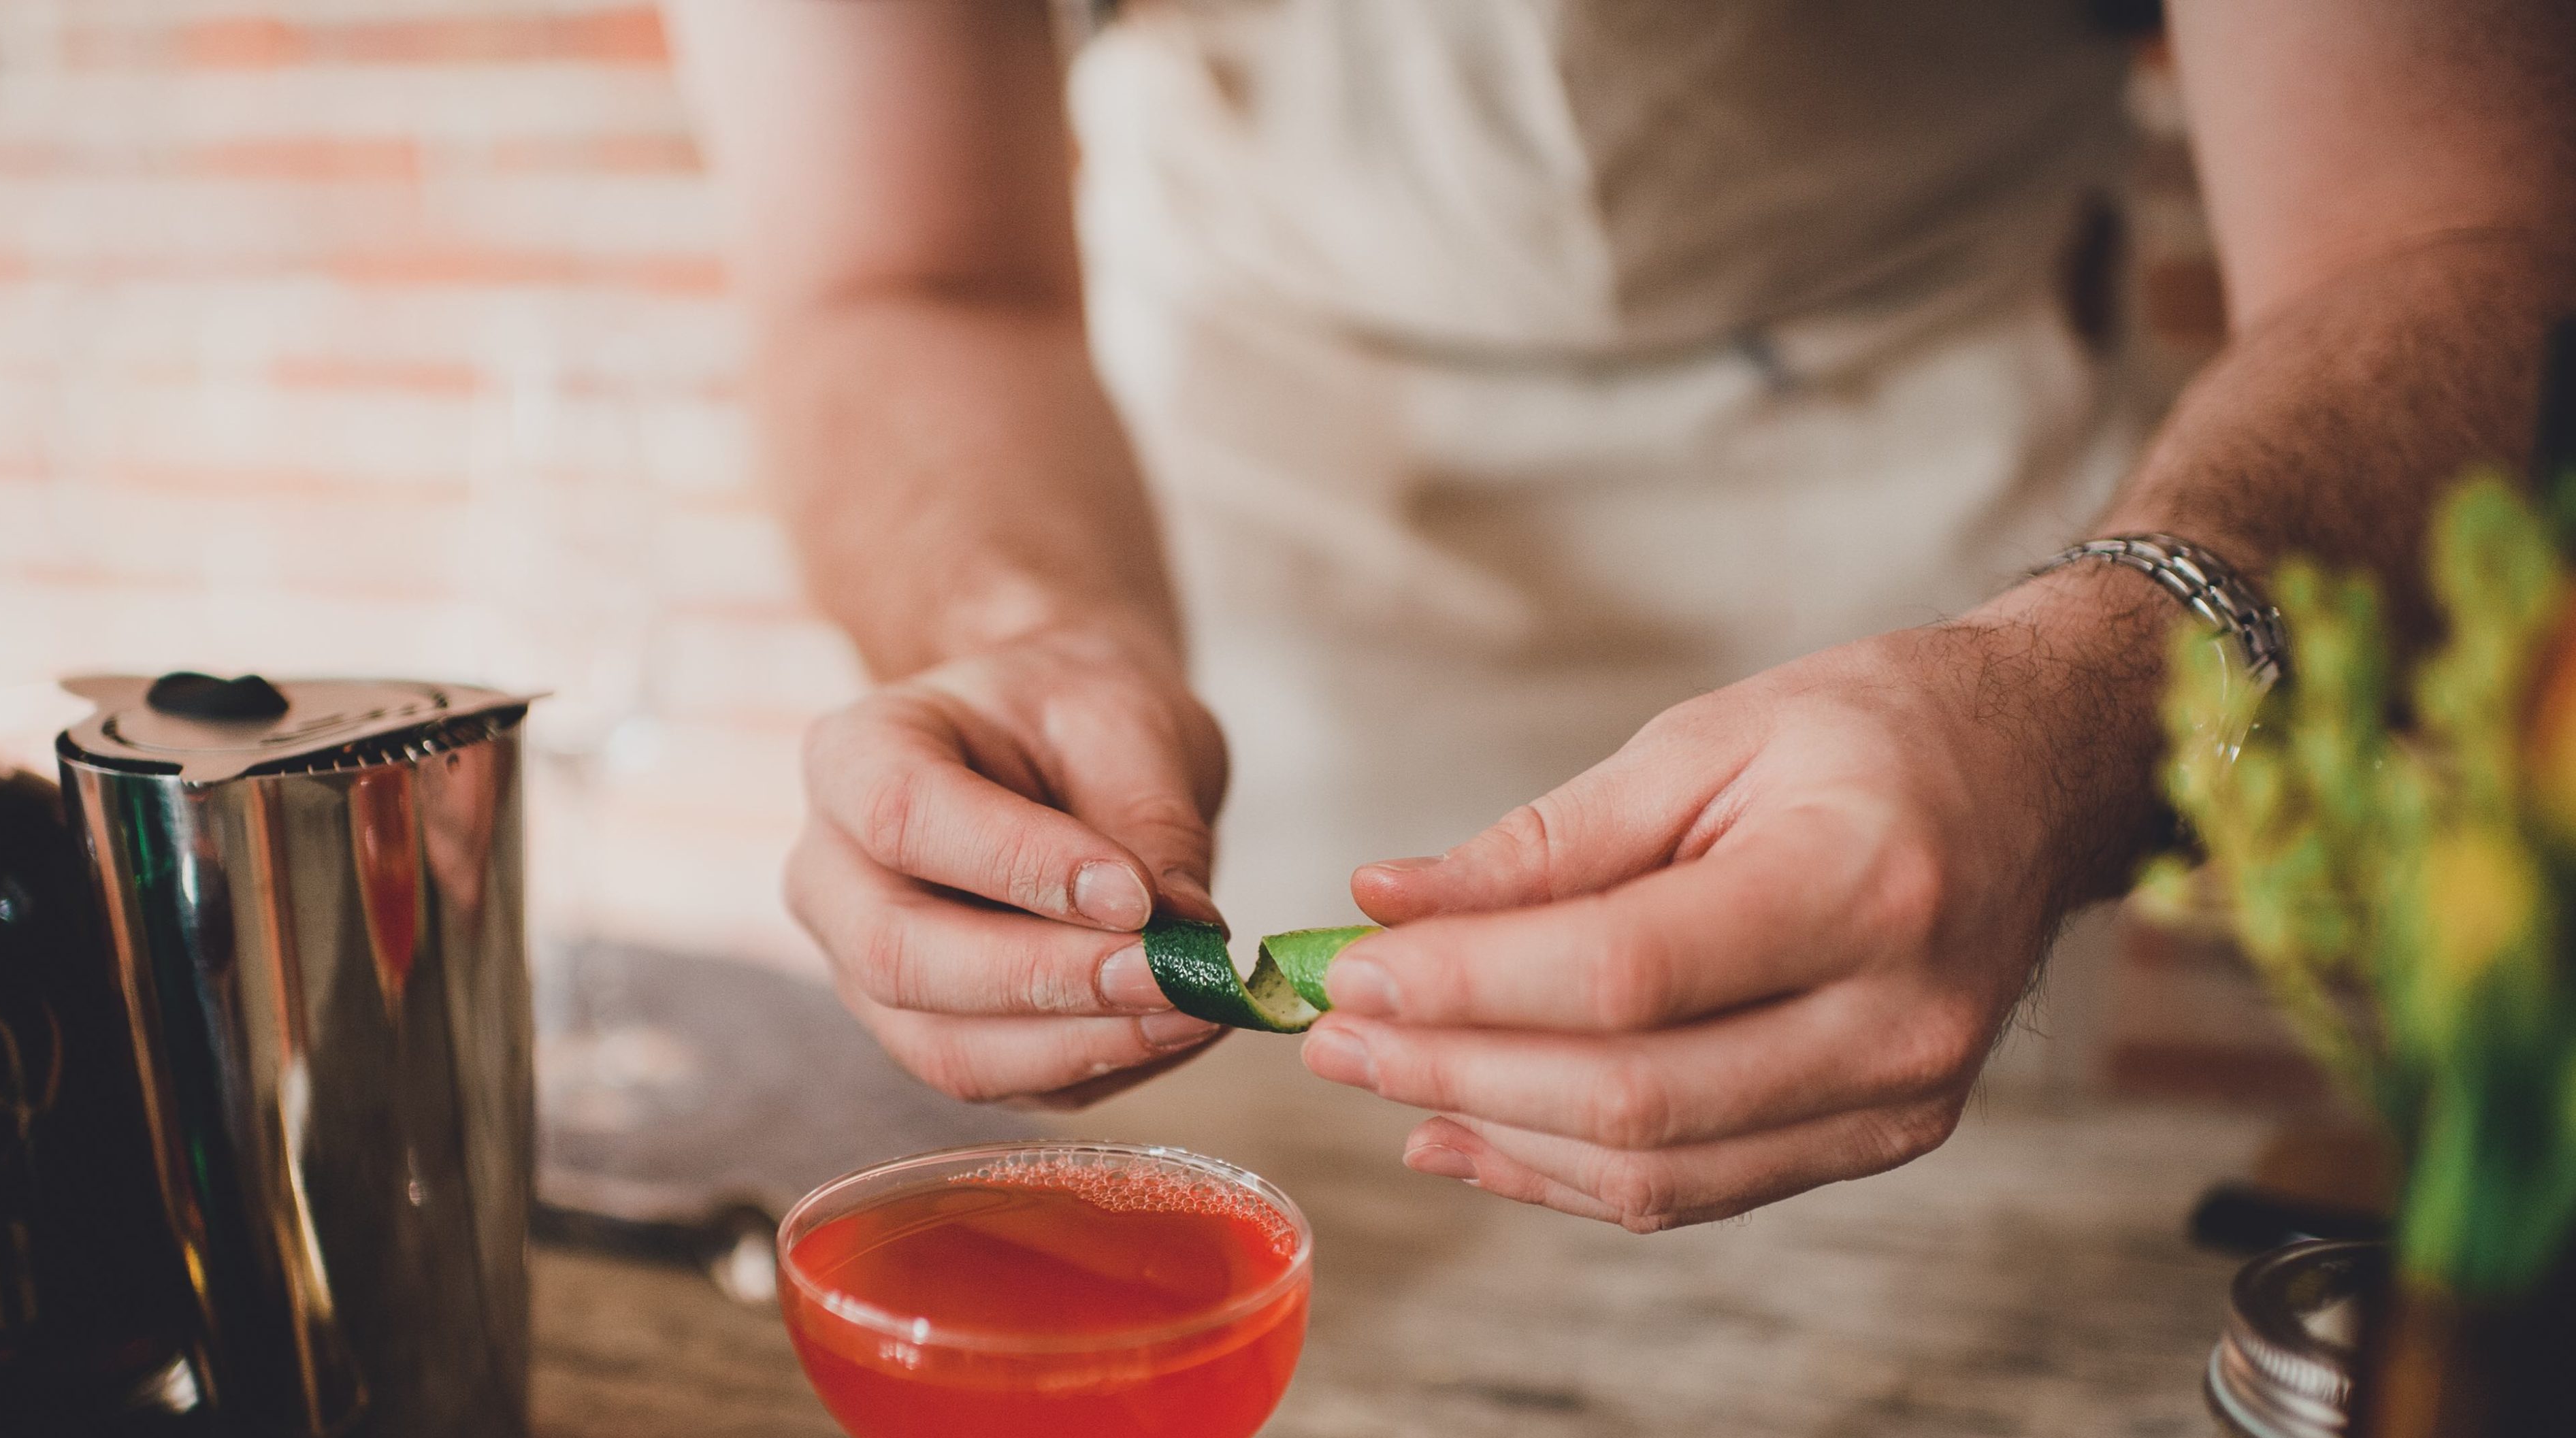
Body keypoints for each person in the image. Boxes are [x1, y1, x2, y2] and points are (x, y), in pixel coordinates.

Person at [668, 0, 2576, 1230]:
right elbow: (900, 274)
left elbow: (2460, 240)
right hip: (1254, 517)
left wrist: (2081, 705)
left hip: (1952, 535)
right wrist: (1019, 618)